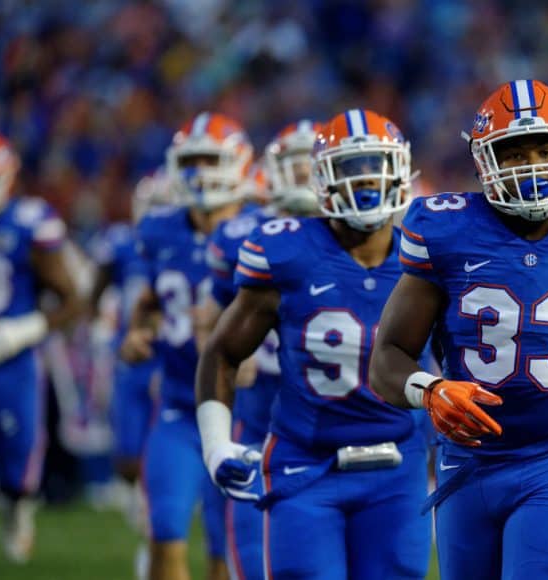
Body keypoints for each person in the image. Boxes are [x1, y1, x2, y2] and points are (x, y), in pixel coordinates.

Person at [369, 79, 548, 580]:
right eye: (516, 153)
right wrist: (430, 390)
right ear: (485, 160)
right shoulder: (445, 231)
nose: (535, 165)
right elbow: (389, 356)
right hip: (468, 463)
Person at [195, 109, 431, 579]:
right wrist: (216, 445)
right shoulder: (286, 251)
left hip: (397, 466)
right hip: (306, 464)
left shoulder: (426, 254)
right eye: (351, 168)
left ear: (402, 172)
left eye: (376, 165)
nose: (366, 180)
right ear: (322, 178)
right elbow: (222, 352)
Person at [121, 112, 251, 580]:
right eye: (191, 160)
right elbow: (151, 299)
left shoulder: (262, 230)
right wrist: (138, 330)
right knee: (165, 530)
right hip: (177, 405)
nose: (199, 172)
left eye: (210, 160)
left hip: (242, 412)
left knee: (226, 549)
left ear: (238, 164)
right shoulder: (159, 229)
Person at [197, 119, 318, 579]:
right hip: (257, 415)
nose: (305, 175)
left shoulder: (363, 238)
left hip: (329, 422)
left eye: (313, 163)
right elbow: (209, 325)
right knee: (247, 558)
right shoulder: (240, 235)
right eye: (295, 164)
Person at [0, 133, 82, 563]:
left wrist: (18, 332)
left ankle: (16, 508)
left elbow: (71, 298)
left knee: (17, 462)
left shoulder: (28, 222)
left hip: (11, 358)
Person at [88, 167, 173, 575]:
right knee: (126, 454)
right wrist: (100, 327)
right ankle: (147, 501)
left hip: (168, 358)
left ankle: (158, 521)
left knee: (164, 444)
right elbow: (98, 289)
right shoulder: (122, 243)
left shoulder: (182, 247)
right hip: (130, 356)